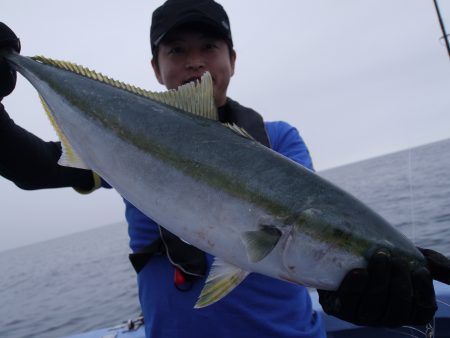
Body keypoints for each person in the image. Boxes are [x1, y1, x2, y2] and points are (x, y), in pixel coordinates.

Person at [1, 1, 449, 337]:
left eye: (209, 47)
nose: (195, 60)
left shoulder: (278, 139)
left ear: (232, 59)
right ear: (155, 69)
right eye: (177, 49)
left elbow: (311, 227)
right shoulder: (121, 144)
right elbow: (33, 168)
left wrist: (351, 285)